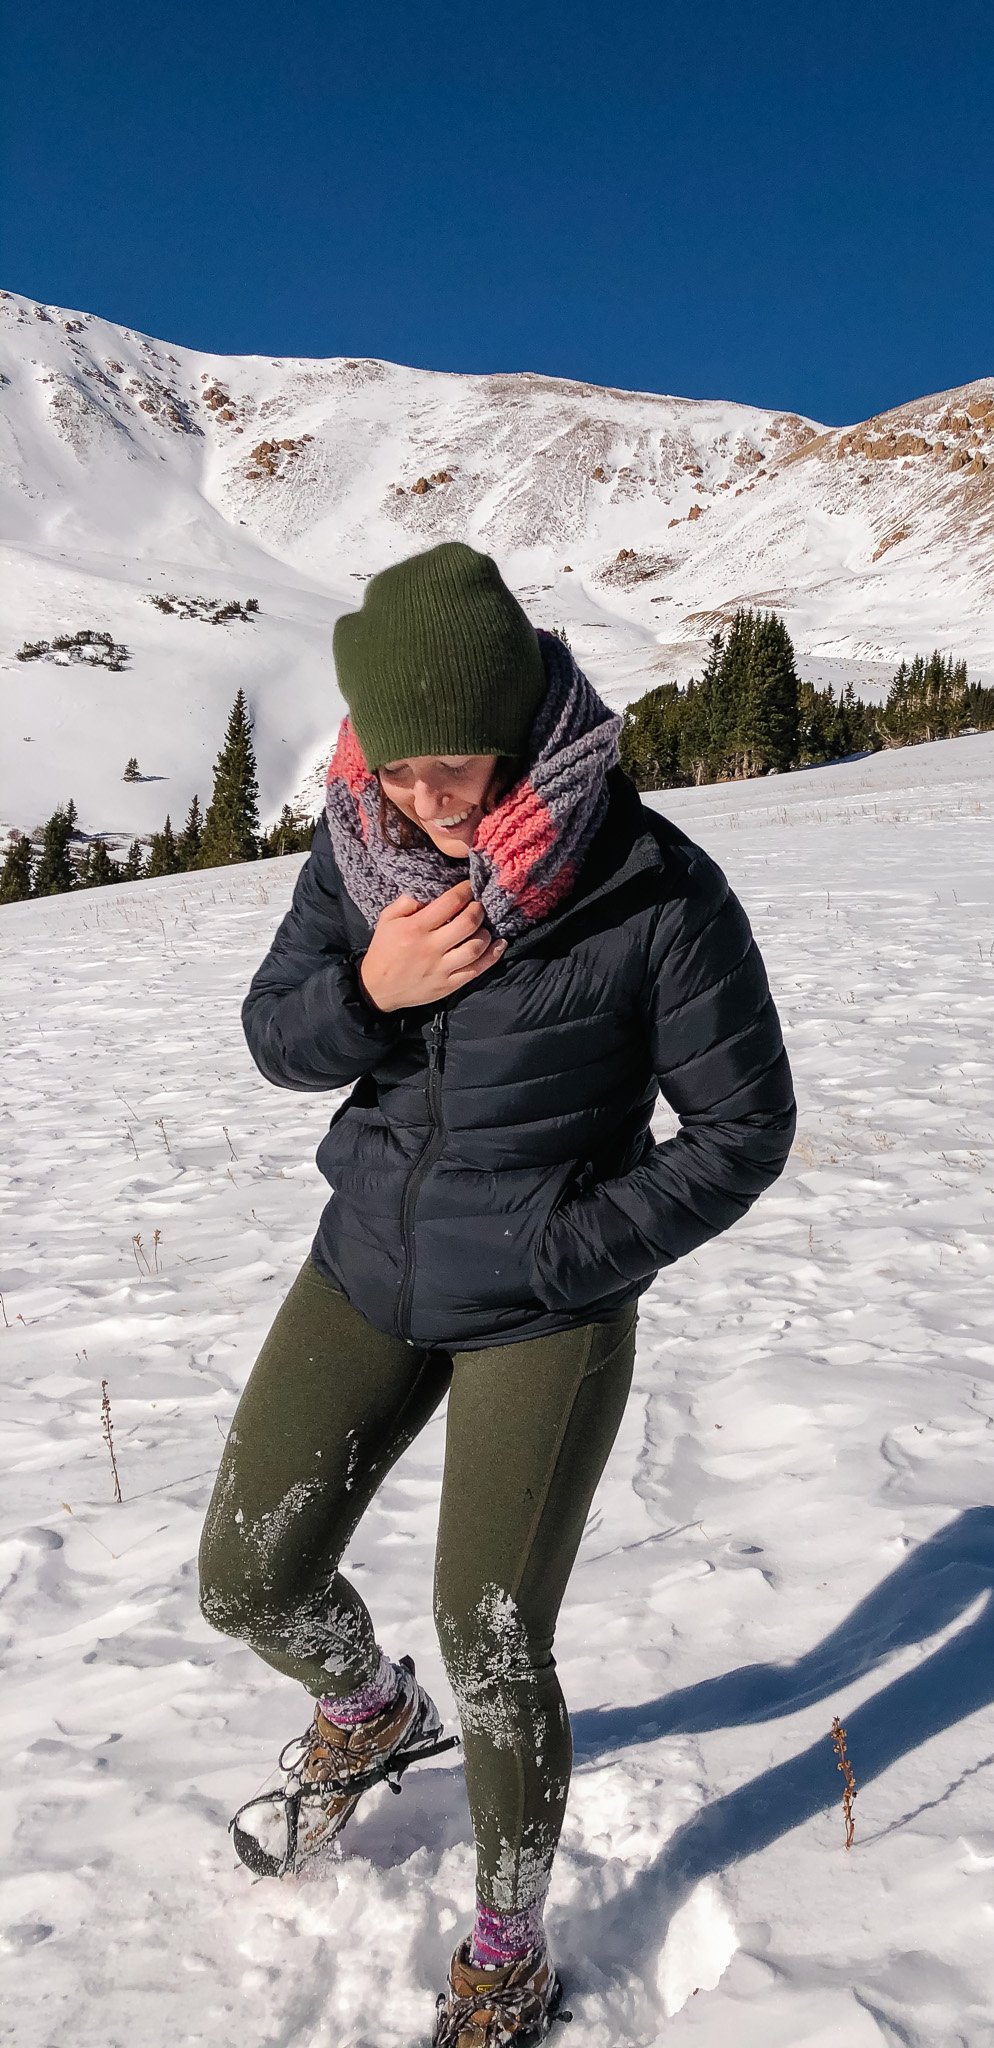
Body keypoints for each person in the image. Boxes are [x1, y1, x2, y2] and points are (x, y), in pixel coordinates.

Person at [197, 542, 795, 2046]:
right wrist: (370, 993)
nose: (428, 802)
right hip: (366, 1266)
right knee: (247, 1580)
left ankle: (509, 1949)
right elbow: (274, 1037)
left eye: (454, 765)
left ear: (522, 722)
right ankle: (366, 1714)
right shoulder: (357, 848)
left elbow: (743, 1131)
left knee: (493, 1641)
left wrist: (567, 1253)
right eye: (398, 770)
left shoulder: (653, 889)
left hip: (546, 1302)